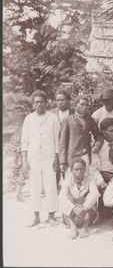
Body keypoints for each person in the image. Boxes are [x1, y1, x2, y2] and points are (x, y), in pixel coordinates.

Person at [21, 90, 60, 227]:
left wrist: (57, 157)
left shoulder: (53, 118)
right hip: (34, 158)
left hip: (49, 157)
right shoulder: (29, 119)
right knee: (35, 187)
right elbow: (24, 140)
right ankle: (36, 216)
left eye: (41, 102)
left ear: (46, 102)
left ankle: (51, 216)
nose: (39, 104)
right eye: (36, 102)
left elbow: (57, 138)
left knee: (50, 186)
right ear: (33, 104)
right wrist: (24, 160)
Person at [59, 157, 99, 239]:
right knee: (66, 197)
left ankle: (84, 228)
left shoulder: (90, 180)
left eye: (81, 169)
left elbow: (95, 194)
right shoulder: (67, 181)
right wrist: (74, 208)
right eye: (76, 169)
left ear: (85, 170)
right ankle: (73, 229)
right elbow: (62, 197)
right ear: (71, 171)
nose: (79, 171)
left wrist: (84, 208)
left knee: (91, 197)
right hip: (72, 214)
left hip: (86, 213)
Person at [50, 88, 74, 188]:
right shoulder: (51, 114)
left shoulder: (74, 112)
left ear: (68, 100)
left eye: (62, 100)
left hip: (69, 148)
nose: (60, 102)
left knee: (68, 176)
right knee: (54, 174)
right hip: (54, 148)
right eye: (58, 100)